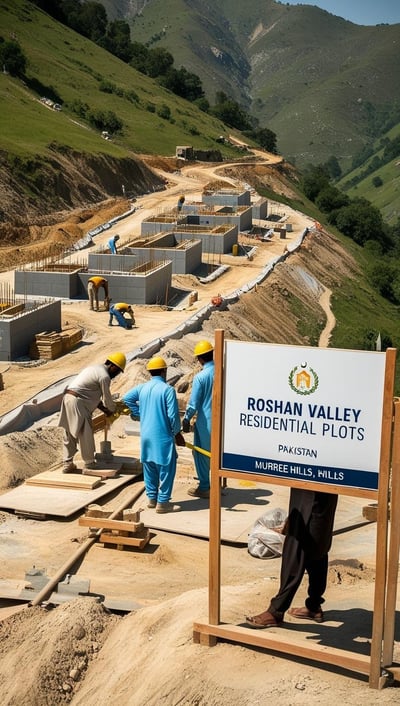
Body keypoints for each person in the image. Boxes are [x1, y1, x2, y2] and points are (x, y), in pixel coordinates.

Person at [245, 488, 338, 628]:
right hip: (310, 483)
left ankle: (276, 610)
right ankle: (313, 605)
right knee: (316, 542)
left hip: (320, 483)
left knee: (298, 546)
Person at [122, 356, 185, 514]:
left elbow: (126, 399)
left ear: (150, 372)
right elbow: (173, 416)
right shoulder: (167, 390)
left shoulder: (142, 388)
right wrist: (177, 433)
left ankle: (152, 499)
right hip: (162, 436)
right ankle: (163, 503)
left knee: (149, 466)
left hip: (147, 437)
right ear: (164, 371)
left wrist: (140, 413)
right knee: (166, 468)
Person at [58, 352, 126, 473]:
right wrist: (114, 410)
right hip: (78, 402)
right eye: (118, 371)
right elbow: (107, 399)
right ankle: (89, 463)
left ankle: (67, 463)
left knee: (69, 432)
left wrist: (105, 410)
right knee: (85, 431)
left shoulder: (94, 369)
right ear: (113, 367)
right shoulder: (104, 376)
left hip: (68, 398)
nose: (117, 374)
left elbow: (91, 395)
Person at [181, 340, 214, 498]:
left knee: (202, 454)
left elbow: (194, 403)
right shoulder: (222, 372)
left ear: (200, 359)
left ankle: (205, 487)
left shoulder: (201, 377)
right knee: (218, 454)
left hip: (206, 422)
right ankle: (218, 483)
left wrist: (186, 419)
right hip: (223, 422)